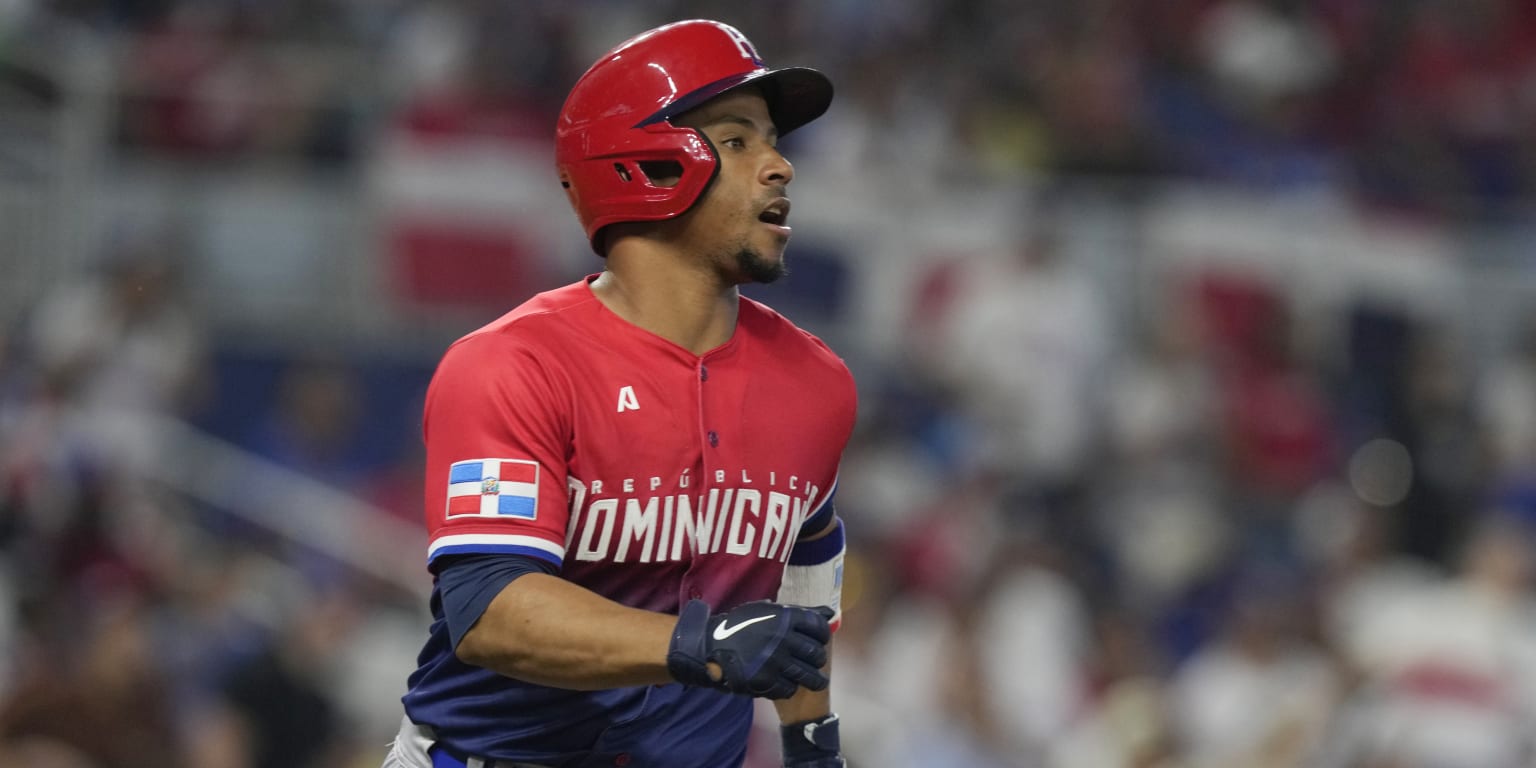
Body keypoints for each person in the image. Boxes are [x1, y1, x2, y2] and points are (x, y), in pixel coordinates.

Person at [383, 19, 856, 768]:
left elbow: (804, 582)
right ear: (646, 166)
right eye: (738, 141)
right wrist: (700, 647)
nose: (780, 168)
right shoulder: (512, 364)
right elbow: (491, 613)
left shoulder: (817, 383)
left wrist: (811, 746)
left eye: (776, 142)